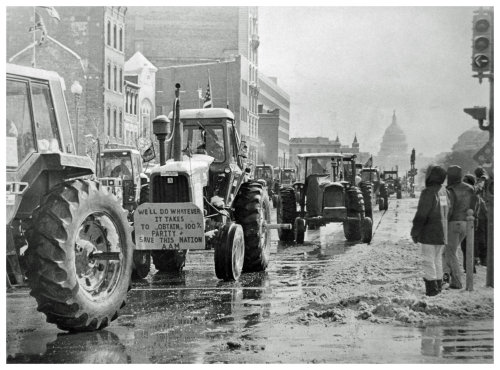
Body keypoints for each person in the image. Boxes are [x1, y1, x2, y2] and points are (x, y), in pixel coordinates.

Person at [411, 165, 451, 297]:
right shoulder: (443, 191)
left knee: (428, 261)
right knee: (437, 259)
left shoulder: (428, 192)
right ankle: (438, 286)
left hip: (429, 232)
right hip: (442, 232)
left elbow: (422, 214)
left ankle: (431, 289)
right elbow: (447, 211)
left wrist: (415, 231)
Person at [442, 165, 476, 289]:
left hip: (453, 223)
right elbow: (475, 205)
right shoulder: (470, 188)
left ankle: (456, 281)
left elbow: (448, 209)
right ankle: (446, 276)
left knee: (450, 252)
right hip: (467, 223)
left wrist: (443, 223)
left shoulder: (449, 190)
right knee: (449, 251)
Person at [460, 174, 478, 274]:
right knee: (466, 246)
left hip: (469, 221)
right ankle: (469, 267)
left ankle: (470, 268)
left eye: (465, 181)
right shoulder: (471, 192)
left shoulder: (471, 193)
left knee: (468, 245)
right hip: (468, 221)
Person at [474, 167, 489, 266]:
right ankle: (482, 258)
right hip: (483, 214)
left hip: (483, 214)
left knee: (482, 237)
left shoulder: (483, 181)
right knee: (482, 237)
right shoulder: (483, 181)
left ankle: (483, 258)